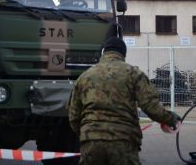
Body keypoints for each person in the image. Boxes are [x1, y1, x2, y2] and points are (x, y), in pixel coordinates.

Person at [68, 37, 181, 165]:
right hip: (122, 141)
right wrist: (171, 118)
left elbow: (73, 116)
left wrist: (87, 134)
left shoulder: (84, 77)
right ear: (123, 54)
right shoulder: (134, 73)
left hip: (91, 143)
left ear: (104, 52)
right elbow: (150, 107)